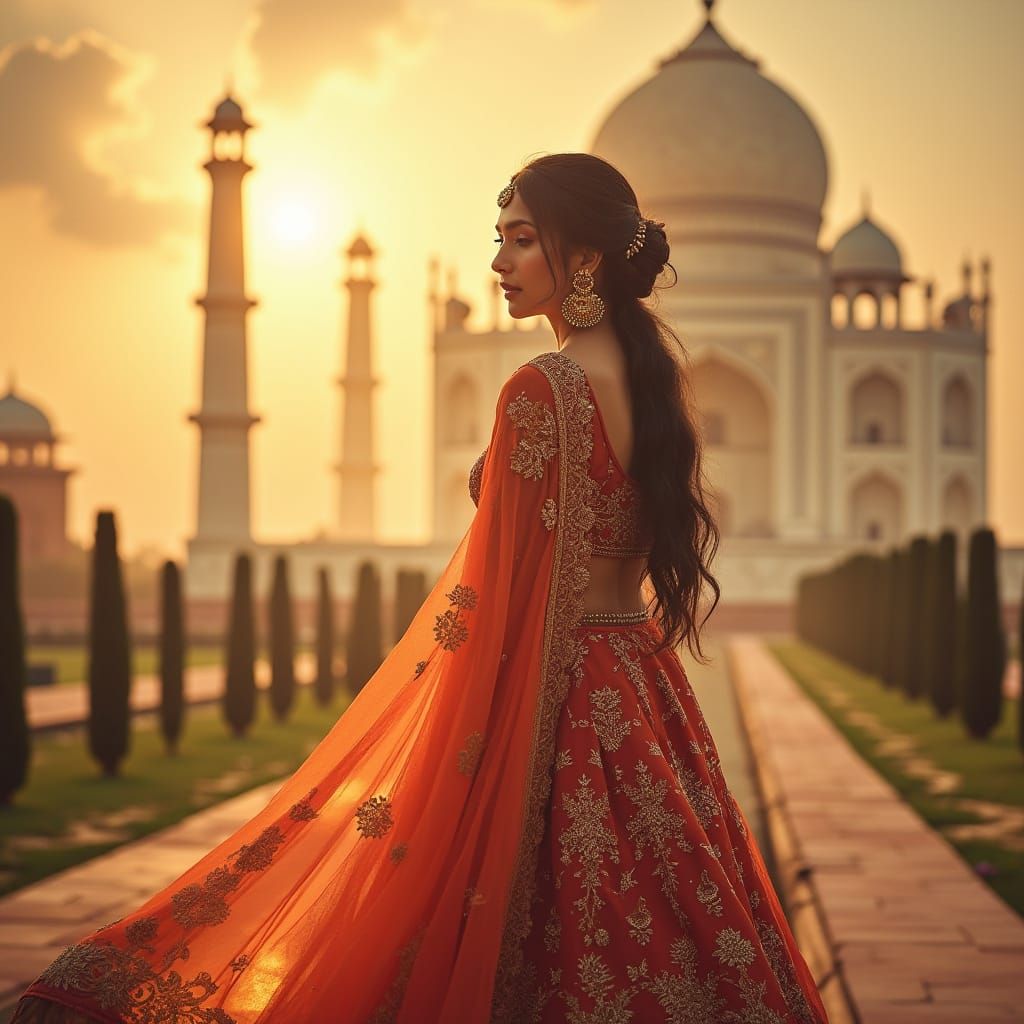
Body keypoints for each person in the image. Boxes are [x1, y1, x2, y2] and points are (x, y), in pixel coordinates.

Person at [12, 153, 829, 1023]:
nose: (498, 263)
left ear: (585, 258)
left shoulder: (542, 387)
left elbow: (495, 589)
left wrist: (444, 719)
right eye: (498, 239)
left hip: (554, 700)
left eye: (521, 240)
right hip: (641, 692)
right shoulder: (657, 380)